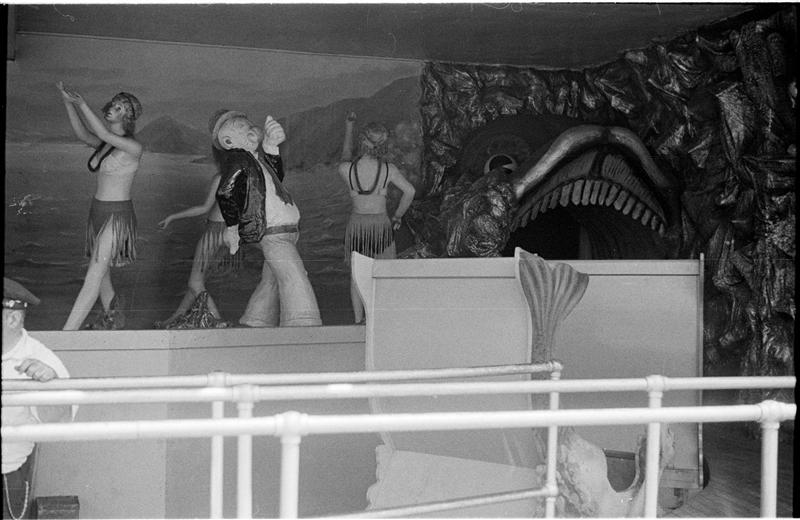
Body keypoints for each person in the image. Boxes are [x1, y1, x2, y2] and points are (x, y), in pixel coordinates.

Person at [209, 109, 322, 327]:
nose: (249, 127)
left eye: (247, 123)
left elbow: (275, 180)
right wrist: (232, 227)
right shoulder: (239, 161)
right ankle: (303, 324)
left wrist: (271, 147)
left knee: (272, 281)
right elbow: (225, 192)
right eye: (241, 126)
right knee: (294, 277)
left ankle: (256, 320)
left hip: (285, 232)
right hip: (273, 234)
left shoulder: (254, 160)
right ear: (228, 141)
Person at [57, 82, 143, 331]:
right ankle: (114, 319)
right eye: (113, 104)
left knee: (94, 274)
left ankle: (67, 333)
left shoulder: (134, 147)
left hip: (118, 216)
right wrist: (68, 103)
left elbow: (104, 135)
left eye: (120, 107)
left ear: (128, 116)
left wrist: (82, 103)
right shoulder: (107, 145)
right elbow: (83, 135)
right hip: (98, 211)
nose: (113, 108)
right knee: (102, 276)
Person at [2, 278, 75, 520]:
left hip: (7, 474)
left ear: (12, 319)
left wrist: (49, 388)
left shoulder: (42, 360)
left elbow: (59, 423)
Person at [339, 112, 416, 323]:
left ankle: (358, 321)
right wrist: (398, 216)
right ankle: (381, 319)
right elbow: (409, 191)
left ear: (362, 141)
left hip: (357, 225)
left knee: (357, 277)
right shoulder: (388, 169)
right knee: (384, 274)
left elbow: (345, 155)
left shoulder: (346, 169)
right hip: (381, 224)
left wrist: (349, 127)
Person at [155, 148, 238, 329]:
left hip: (214, 232)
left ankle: (218, 319)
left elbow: (204, 208)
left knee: (195, 282)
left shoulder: (221, 178)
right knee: (196, 282)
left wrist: (172, 217)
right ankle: (172, 320)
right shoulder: (246, 181)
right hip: (229, 234)